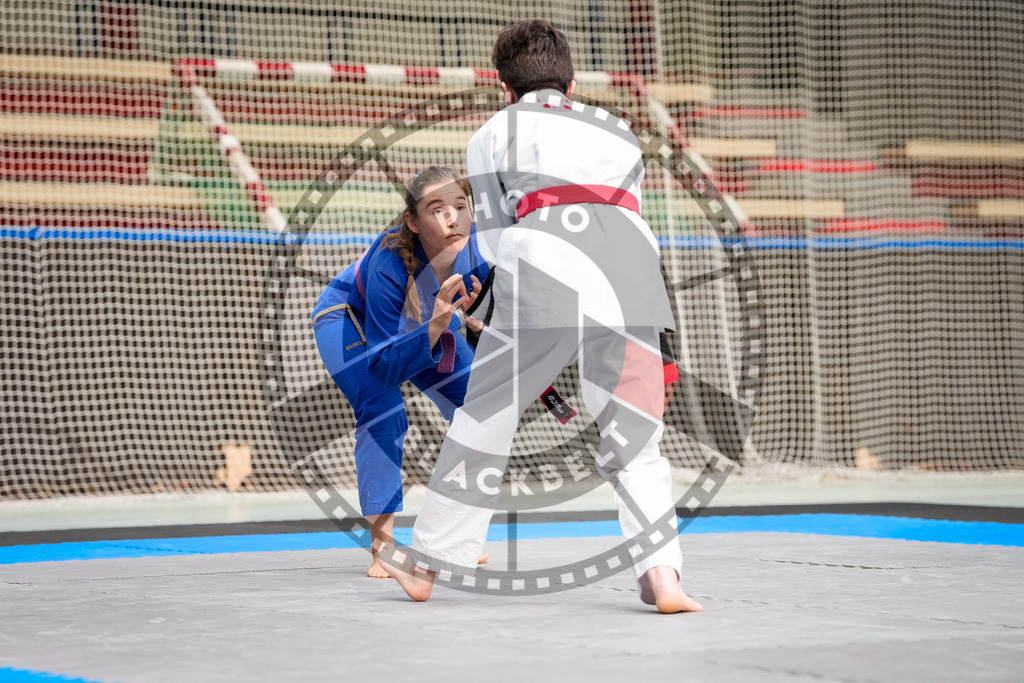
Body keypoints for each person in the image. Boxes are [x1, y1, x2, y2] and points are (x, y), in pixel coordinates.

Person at [381, 20, 703, 613]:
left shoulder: (492, 131)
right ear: (572, 83)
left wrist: (496, 304)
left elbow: (494, 236)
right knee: (637, 437)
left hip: (547, 264)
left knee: (484, 417)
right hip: (634, 278)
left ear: (504, 88)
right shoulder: (619, 129)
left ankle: (427, 565)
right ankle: (665, 577)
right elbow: (627, 213)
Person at [311, 166, 488, 578]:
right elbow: (385, 366)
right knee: (383, 409)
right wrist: (437, 326)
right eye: (437, 209)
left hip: (428, 320)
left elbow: (489, 315)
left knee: (478, 408)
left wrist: (480, 321)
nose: (453, 218)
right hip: (349, 317)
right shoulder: (388, 263)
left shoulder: (479, 249)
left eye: (460, 206)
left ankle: (454, 535)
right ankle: (383, 546)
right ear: (413, 221)